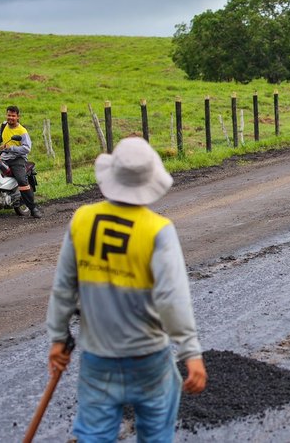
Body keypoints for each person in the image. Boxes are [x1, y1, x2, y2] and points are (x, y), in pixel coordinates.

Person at [46, 137, 207, 441]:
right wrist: (191, 352)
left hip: (97, 358)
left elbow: (63, 286)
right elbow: (172, 299)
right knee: (156, 434)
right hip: (148, 358)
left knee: (93, 436)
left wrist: (57, 337)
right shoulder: (158, 230)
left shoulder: (82, 220)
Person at [0, 105, 42, 218]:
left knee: (21, 180)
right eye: (9, 115)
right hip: (4, 157)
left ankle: (33, 208)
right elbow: (1, 137)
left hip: (18, 159)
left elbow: (27, 148)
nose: (10, 118)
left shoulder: (22, 131)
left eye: (13, 116)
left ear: (18, 117)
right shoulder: (4, 125)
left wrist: (10, 148)